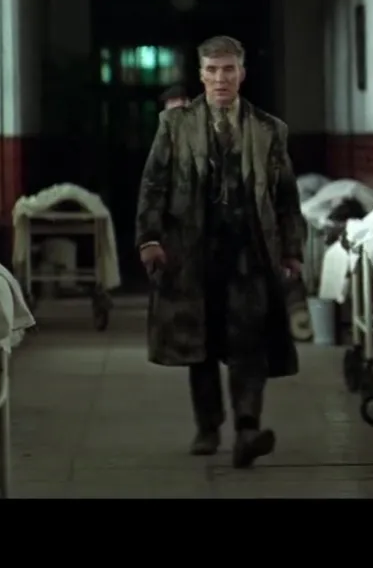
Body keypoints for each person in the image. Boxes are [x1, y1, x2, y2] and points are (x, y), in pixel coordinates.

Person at [135, 34, 305, 468]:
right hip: (192, 250)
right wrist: (150, 240)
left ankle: (247, 427)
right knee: (202, 341)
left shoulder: (268, 129)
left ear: (242, 73)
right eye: (212, 70)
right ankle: (208, 427)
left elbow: (286, 196)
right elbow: (153, 184)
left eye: (228, 69)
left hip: (250, 249)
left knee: (250, 340)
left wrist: (291, 250)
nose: (220, 78)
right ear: (201, 75)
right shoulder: (175, 125)